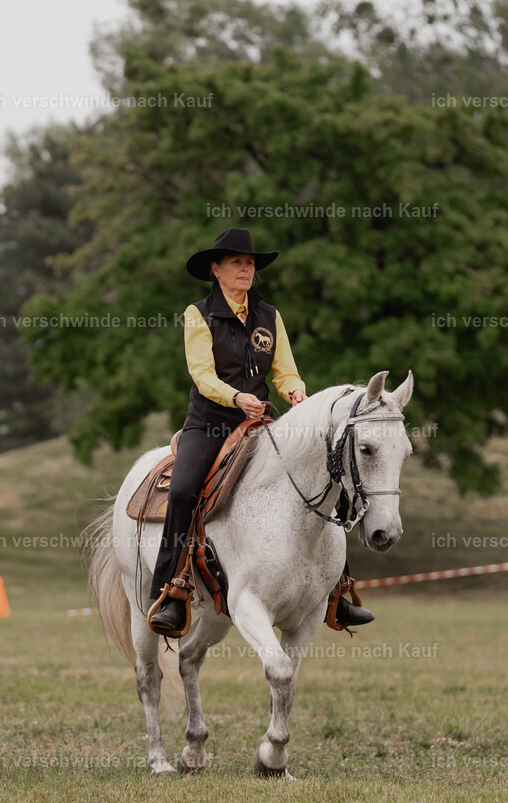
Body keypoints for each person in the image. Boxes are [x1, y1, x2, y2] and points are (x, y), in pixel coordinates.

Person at [148, 227, 374, 634]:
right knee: (182, 489)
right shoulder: (198, 314)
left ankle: (338, 590)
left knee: (331, 469)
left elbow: (284, 370)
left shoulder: (270, 316)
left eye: (250, 263)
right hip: (210, 424)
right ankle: (171, 590)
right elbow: (202, 376)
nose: (245, 269)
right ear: (215, 269)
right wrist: (236, 398)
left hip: (261, 425)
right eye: (236, 262)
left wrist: (294, 389)